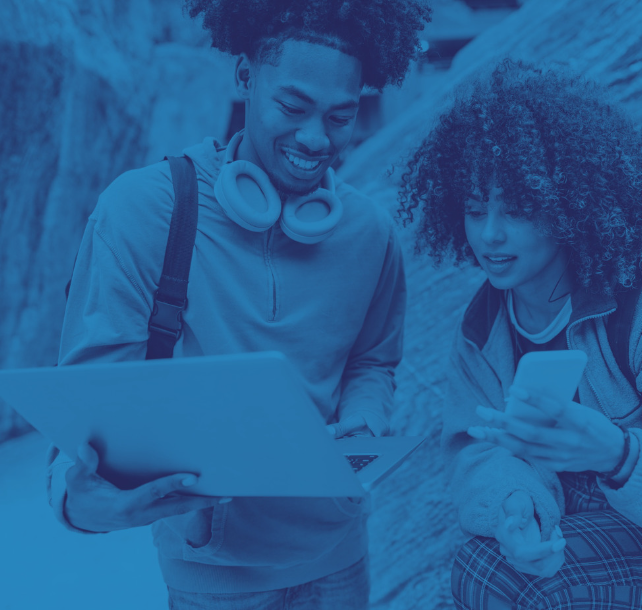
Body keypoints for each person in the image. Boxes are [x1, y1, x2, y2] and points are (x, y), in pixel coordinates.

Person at [46, 2, 431, 608]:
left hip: (342, 560)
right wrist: (74, 499)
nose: (314, 139)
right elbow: (92, 400)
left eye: (341, 116)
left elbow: (372, 363)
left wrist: (362, 424)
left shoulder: (370, 233)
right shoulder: (142, 211)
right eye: (292, 106)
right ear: (246, 77)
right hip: (212, 576)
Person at [398, 59, 642, 609]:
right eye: (475, 211)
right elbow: (475, 454)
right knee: (478, 566)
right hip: (574, 525)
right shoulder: (481, 332)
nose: (490, 235)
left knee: (535, 589)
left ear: (570, 207)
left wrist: (619, 453)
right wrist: (515, 511)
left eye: (518, 210)